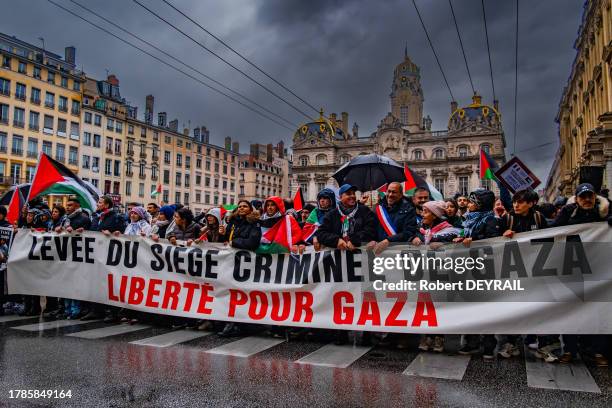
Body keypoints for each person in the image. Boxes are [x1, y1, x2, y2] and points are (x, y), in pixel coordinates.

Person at [552, 183, 610, 367]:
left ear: (595, 198)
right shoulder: (568, 212)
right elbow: (553, 230)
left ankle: (598, 351)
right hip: (572, 269)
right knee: (570, 309)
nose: (586, 200)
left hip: (598, 270)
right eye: (583, 197)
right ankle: (570, 349)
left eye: (590, 196)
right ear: (576, 199)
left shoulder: (605, 212)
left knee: (598, 311)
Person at [497, 189, 548, 360]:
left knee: (537, 307)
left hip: (535, 272)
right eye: (514, 202)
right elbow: (493, 242)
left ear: (531, 203)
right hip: (513, 272)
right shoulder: (507, 219)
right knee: (512, 308)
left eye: (521, 202)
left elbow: (549, 241)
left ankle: (542, 344)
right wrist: (502, 236)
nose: (516, 205)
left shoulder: (539, 219)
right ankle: (512, 343)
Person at [455, 189, 502, 360]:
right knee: (469, 307)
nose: (468, 204)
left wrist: (474, 241)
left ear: (481, 204)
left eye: (472, 202)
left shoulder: (490, 219)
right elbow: (466, 235)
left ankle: (489, 345)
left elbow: (494, 242)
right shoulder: (468, 220)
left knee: (485, 308)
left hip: (485, 270)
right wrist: (462, 239)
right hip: (469, 268)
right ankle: (471, 342)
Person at [414, 200, 461, 352]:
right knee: (426, 303)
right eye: (422, 211)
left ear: (434, 215)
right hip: (425, 273)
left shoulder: (449, 230)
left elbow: (457, 240)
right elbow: (415, 237)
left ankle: (439, 337)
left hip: (442, 273)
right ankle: (427, 335)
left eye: (426, 211)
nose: (422, 214)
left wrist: (445, 244)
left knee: (439, 304)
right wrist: (413, 239)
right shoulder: (421, 230)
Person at [82, 196, 126, 322]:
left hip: (110, 256)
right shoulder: (96, 217)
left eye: (100, 202)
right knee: (96, 283)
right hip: (96, 255)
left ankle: (114, 312)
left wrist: (113, 234)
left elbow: (123, 234)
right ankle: (96, 310)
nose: (97, 204)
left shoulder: (116, 217)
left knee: (111, 284)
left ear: (106, 205)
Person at [316, 184, 377, 251]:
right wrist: (336, 241)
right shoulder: (331, 214)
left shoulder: (365, 211)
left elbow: (370, 230)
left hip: (361, 255)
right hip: (339, 257)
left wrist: (354, 241)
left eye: (353, 193)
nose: (352, 196)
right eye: (348, 194)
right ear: (340, 197)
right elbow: (321, 233)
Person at [368, 182, 419, 255]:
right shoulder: (377, 209)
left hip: (400, 253)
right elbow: (371, 228)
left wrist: (388, 241)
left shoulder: (409, 210)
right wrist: (371, 240)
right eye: (389, 191)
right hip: (379, 253)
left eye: (394, 192)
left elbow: (408, 233)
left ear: (401, 194)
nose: (390, 195)